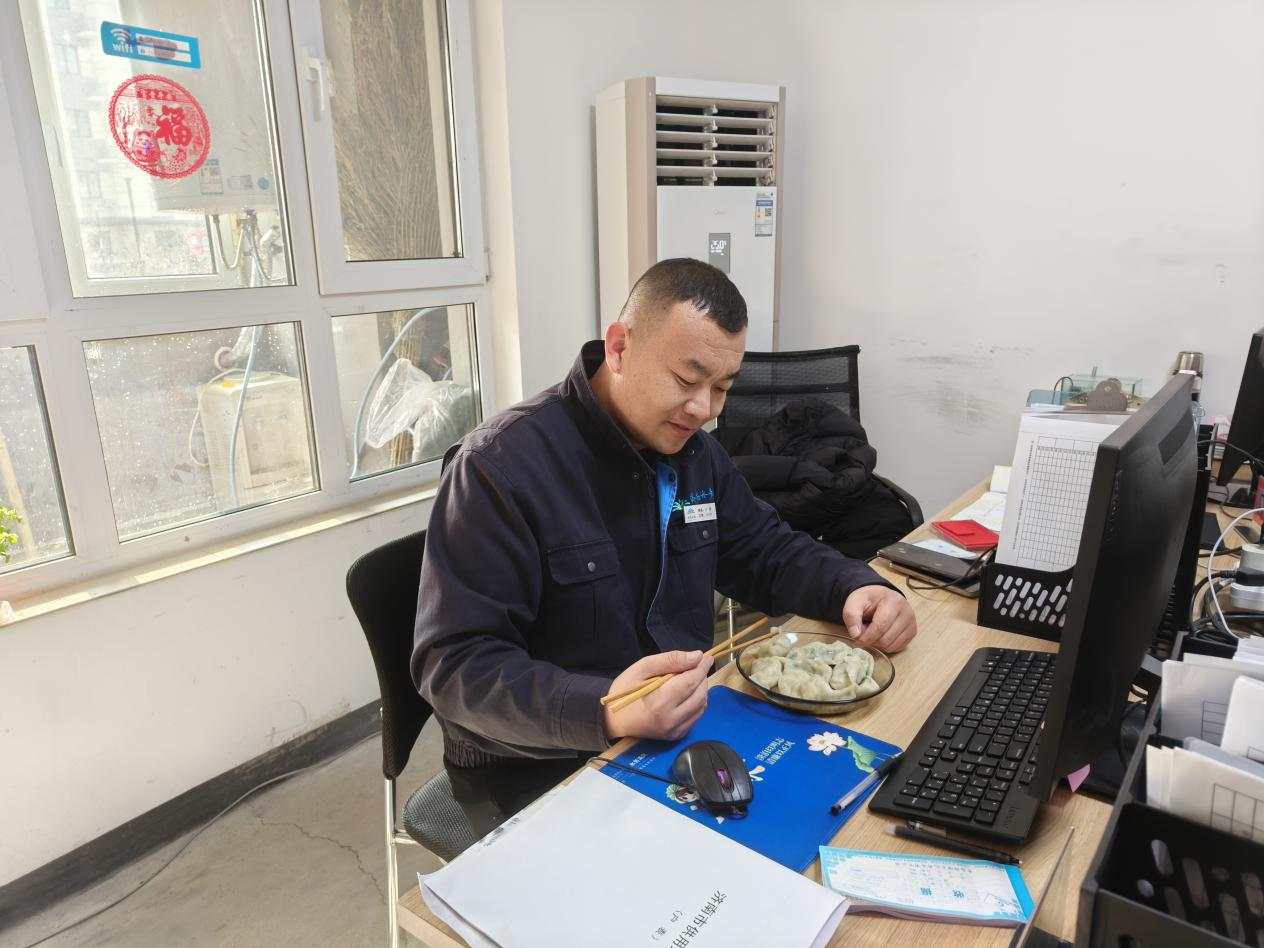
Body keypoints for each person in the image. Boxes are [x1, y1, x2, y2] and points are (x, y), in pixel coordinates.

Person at [413, 258, 917, 835]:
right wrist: (606, 708)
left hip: (679, 727)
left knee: (844, 813)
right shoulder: (498, 468)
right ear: (620, 348)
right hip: (539, 761)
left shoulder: (693, 451)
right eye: (686, 379)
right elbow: (454, 667)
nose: (704, 410)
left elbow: (762, 546)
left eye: (722, 388)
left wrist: (855, 585)